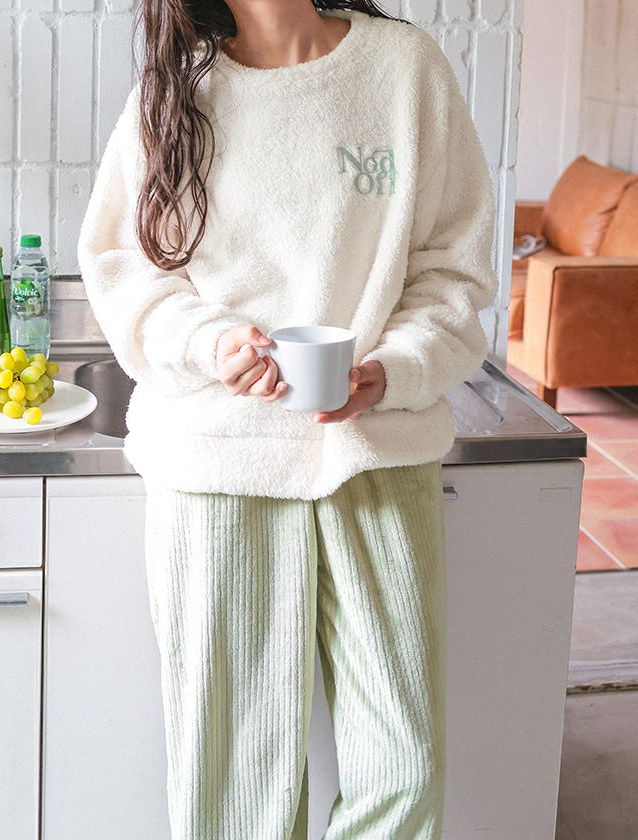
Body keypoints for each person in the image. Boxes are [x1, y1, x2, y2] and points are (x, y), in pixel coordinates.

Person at [77, 1, 499, 837]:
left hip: (376, 452)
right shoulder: (179, 91)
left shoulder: (405, 69)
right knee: (236, 794)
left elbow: (453, 271)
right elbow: (125, 270)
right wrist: (210, 343)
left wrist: (392, 371)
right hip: (217, 461)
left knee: (406, 771)